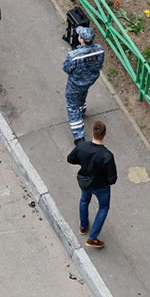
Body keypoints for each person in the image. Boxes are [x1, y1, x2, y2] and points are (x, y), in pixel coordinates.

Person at [67, 119, 117, 249]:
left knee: (84, 200)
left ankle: (83, 226)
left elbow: (70, 159)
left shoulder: (82, 146)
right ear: (105, 134)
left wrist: (84, 164)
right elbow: (112, 179)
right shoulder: (107, 156)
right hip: (101, 187)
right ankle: (93, 238)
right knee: (103, 208)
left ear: (92, 132)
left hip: (85, 181)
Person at [63, 25, 105, 141]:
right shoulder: (100, 50)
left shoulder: (74, 56)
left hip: (75, 84)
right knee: (82, 95)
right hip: (90, 81)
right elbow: (100, 65)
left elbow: (66, 68)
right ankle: (82, 110)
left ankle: (79, 136)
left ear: (81, 39)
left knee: (72, 105)